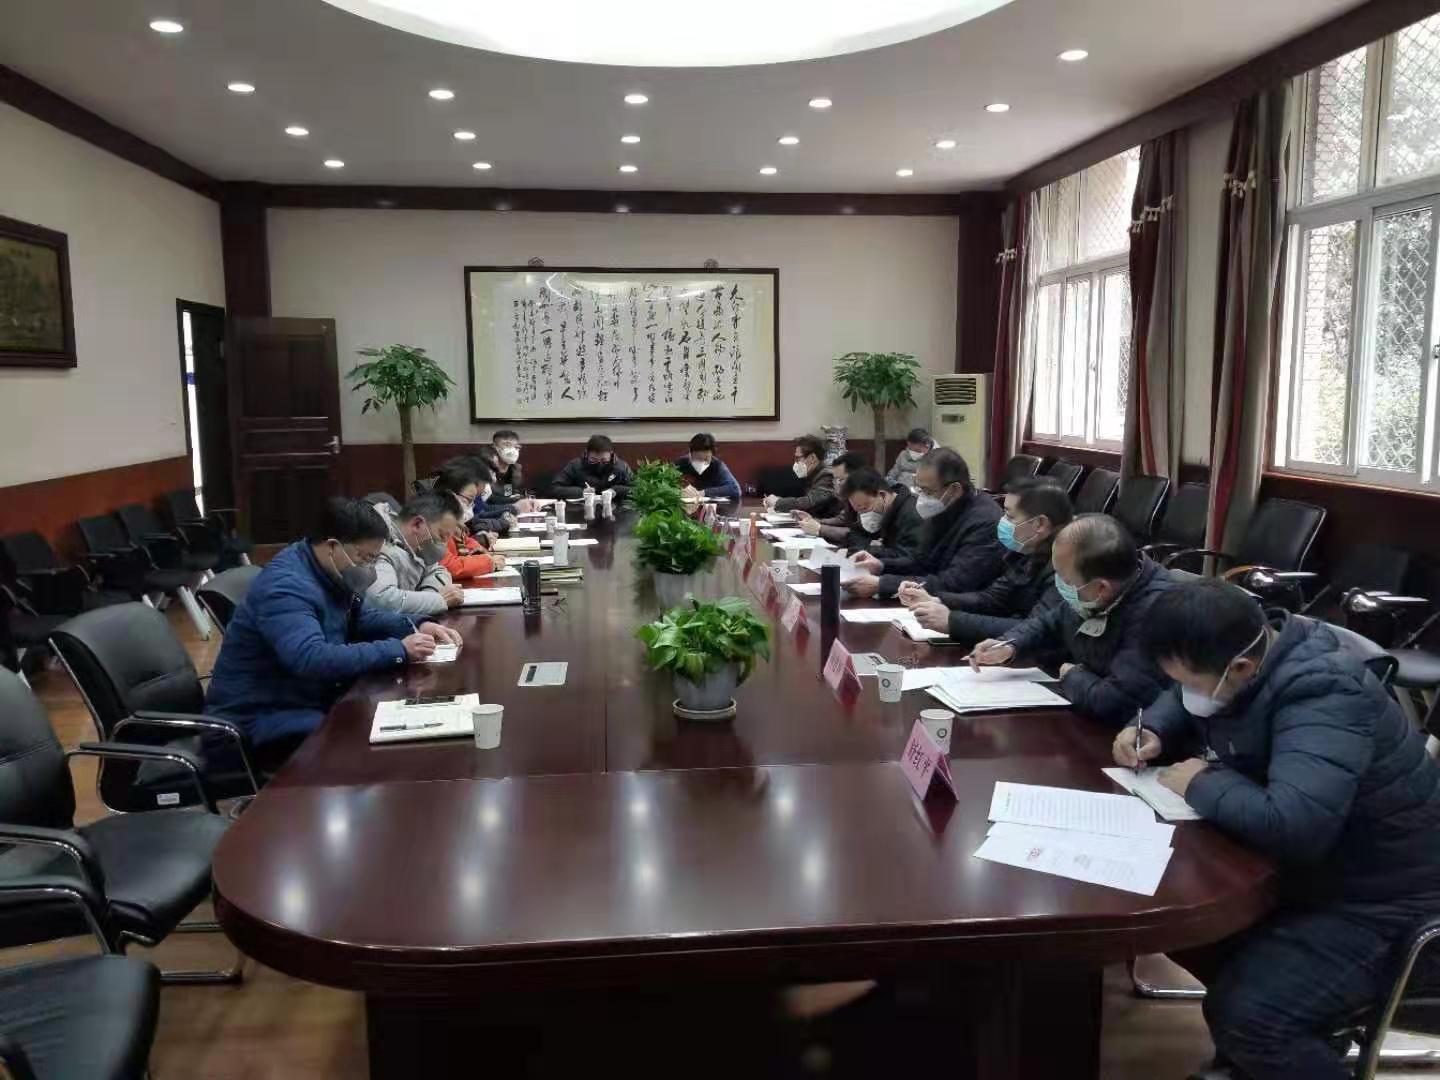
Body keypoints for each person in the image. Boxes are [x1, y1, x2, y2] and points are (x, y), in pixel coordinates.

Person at [1115, 579, 1440, 1080]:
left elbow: (1296, 825)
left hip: (1390, 903)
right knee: (1191, 935)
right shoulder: (1255, 652)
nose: (1187, 692)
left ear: (1241, 668)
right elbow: (1183, 694)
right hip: (1322, 876)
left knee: (1252, 1017)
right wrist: (1152, 727)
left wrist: (1202, 782)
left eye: (1191, 682)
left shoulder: (1324, 693)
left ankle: (1273, 1049)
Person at [205, 497, 462, 761]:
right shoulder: (286, 587)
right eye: (365, 558)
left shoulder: (327, 570)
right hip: (260, 717)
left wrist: (417, 624)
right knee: (371, 742)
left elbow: (361, 616)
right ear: (332, 546)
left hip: (305, 698)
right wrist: (398, 649)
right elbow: (311, 657)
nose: (369, 568)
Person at [969, 514, 1175, 727]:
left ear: (1101, 588)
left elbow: (1117, 702)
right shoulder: (1095, 590)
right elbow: (1051, 623)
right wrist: (1010, 645)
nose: (1058, 583)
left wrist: (1072, 675)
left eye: (1064, 579)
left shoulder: (1156, 614)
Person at [900, 477, 1072, 642]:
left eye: (1010, 516)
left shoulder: (1067, 566)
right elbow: (993, 599)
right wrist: (937, 600)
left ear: (1040, 524)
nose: (1002, 521)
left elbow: (1036, 630)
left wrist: (952, 621)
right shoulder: (1025, 550)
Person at [843, 448, 1002, 600]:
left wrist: (882, 585)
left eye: (927, 491)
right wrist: (881, 565)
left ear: (954, 490)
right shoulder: (942, 507)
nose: (921, 498)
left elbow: (955, 582)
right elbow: (921, 561)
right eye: (919, 489)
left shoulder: (984, 521)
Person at [368, 492, 465, 616]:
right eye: (441, 536)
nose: (443, 545)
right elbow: (381, 599)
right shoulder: (379, 546)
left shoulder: (416, 546)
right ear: (417, 524)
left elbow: (438, 570)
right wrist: (439, 600)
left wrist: (430, 595)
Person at [431, 460, 506, 582]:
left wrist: (481, 552)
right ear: (450, 495)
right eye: (468, 500)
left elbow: (466, 540)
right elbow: (449, 566)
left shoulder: (454, 524)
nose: (471, 507)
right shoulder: (434, 523)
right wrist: (488, 562)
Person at [840, 467, 924, 557]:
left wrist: (871, 551)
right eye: (858, 511)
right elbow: (856, 535)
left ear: (883, 495)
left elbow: (907, 556)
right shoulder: (876, 509)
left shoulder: (913, 514)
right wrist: (865, 548)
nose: (862, 516)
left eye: (864, 508)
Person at [797, 451, 867, 544]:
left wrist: (820, 528)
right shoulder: (849, 497)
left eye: (840, 479)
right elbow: (843, 519)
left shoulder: (867, 497)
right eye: (835, 479)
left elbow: (858, 535)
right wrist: (812, 521)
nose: (836, 485)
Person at [764, 435, 839, 518]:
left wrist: (778, 502)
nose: (795, 463)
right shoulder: (812, 474)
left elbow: (811, 502)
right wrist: (779, 501)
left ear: (812, 458)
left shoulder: (827, 475)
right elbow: (803, 501)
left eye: (798, 458)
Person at [553, 434, 634, 499]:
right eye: (593, 460)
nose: (599, 464)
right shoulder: (575, 466)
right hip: (581, 509)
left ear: (611, 454)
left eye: (604, 461)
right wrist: (581, 492)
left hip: (617, 509)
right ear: (586, 454)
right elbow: (555, 489)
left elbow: (637, 491)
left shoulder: (621, 467)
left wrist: (617, 490)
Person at [675, 433, 742, 502]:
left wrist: (703, 493)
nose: (701, 463)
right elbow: (668, 486)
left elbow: (735, 489)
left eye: (706, 459)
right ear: (690, 454)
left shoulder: (717, 466)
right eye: (697, 459)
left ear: (712, 455)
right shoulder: (679, 464)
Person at [489, 429, 524, 504]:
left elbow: (510, 493)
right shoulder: (485, 468)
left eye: (516, 447)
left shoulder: (516, 469)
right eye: (507, 445)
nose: (512, 450)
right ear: (494, 447)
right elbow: (487, 499)